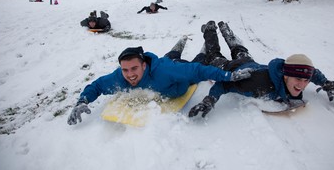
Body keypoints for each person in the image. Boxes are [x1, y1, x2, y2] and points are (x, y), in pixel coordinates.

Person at [67, 36, 255, 125]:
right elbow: (98, 85)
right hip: (164, 63)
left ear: (143, 66)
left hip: (176, 76)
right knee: (170, 54)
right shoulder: (121, 76)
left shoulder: (167, 71)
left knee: (196, 61)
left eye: (134, 68)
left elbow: (198, 71)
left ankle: (203, 47)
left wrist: (228, 76)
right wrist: (82, 100)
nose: (130, 74)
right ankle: (181, 42)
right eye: (125, 70)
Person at [188, 21, 334, 118]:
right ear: (286, 75)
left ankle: (225, 28)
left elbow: (313, 72)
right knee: (214, 55)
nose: (303, 85)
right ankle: (210, 29)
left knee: (239, 49)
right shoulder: (257, 85)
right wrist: (210, 99)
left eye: (305, 81)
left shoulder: (290, 73)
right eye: (298, 80)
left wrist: (328, 84)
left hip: (249, 62)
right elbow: (225, 85)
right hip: (231, 69)